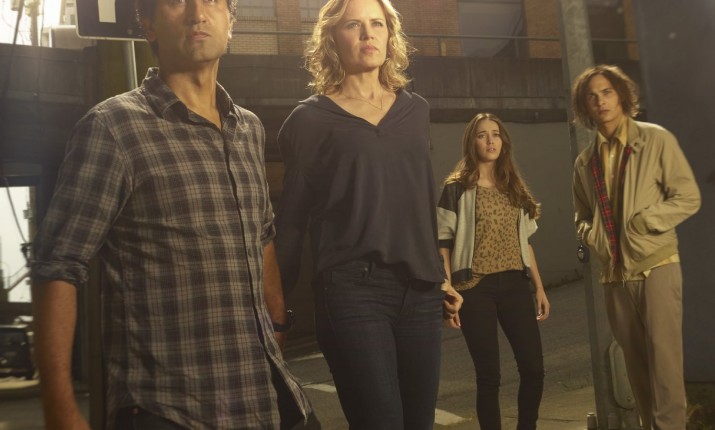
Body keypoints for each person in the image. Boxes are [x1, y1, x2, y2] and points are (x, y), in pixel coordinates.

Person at [30, 0, 317, 428]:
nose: (198, 13)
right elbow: (58, 264)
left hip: (260, 396)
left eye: (213, 1)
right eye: (176, 1)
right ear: (148, 25)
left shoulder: (248, 129)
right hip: (168, 407)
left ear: (231, 22)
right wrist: (60, 411)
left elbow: (262, 236)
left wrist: (276, 327)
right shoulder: (113, 127)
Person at [274, 0, 462, 428]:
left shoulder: (416, 110)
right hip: (352, 291)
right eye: (353, 25)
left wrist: (439, 274)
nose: (367, 33)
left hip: (420, 291)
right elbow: (291, 223)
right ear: (331, 38)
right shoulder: (308, 120)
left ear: (390, 35)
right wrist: (276, 309)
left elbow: (417, 202)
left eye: (377, 23)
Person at [571, 65, 701, 429]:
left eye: (607, 92)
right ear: (585, 106)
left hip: (656, 265)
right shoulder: (585, 161)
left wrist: (646, 222)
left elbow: (688, 197)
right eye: (592, 96)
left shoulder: (655, 140)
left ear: (622, 96)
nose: (601, 101)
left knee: (665, 365)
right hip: (614, 276)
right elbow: (581, 216)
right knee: (636, 366)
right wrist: (593, 236)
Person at [437, 112, 549, 430]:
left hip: (515, 284)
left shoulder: (513, 187)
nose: (490, 140)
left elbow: (526, 243)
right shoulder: (456, 188)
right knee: (489, 376)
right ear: (471, 142)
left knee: (534, 369)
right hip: (474, 289)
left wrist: (539, 288)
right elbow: (443, 245)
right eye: (482, 135)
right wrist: (448, 290)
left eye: (496, 134)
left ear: (503, 141)